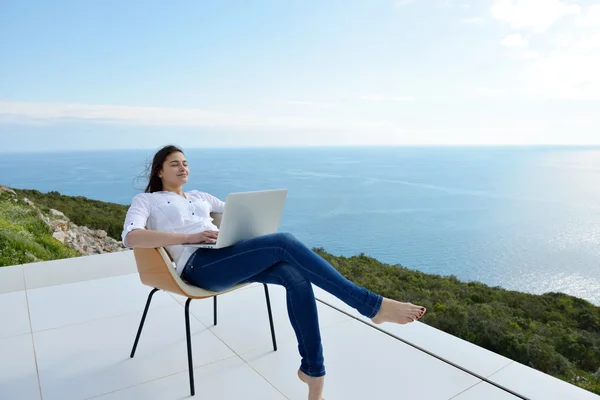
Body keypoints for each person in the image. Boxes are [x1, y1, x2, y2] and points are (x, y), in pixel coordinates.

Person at [122, 145, 426, 400]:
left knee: (295, 276)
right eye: (175, 164)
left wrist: (247, 226)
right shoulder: (146, 201)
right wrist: (188, 238)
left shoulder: (201, 197)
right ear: (159, 171)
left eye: (186, 163)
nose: (183, 168)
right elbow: (132, 237)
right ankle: (371, 305)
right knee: (284, 242)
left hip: (225, 256)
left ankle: (313, 372)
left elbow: (241, 213)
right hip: (197, 266)